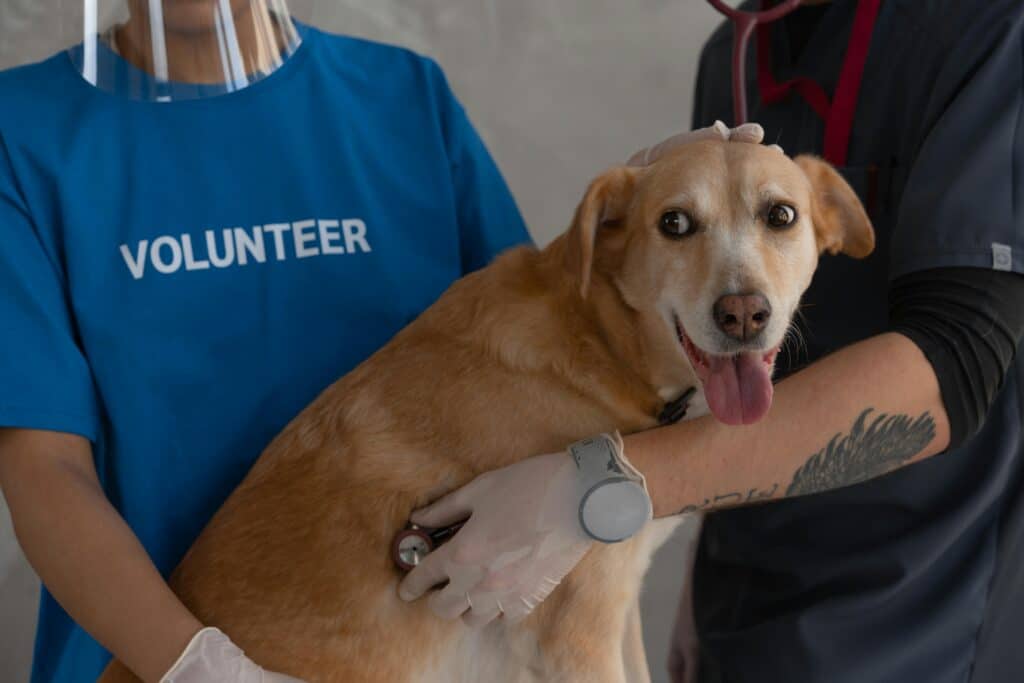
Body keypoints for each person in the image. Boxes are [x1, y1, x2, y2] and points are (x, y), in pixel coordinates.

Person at [398, 2, 1024, 682]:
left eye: (781, 216)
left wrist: (592, 490)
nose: (742, 304)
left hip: (916, 615)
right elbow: (709, 368)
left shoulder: (987, 28)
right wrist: (693, 571)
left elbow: (958, 361)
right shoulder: (732, 49)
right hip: (740, 600)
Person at [0, 1, 538, 681]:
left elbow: (543, 367)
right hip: (143, 663)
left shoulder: (406, 100)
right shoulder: (21, 133)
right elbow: (42, 469)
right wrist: (204, 669)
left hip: (417, 655)